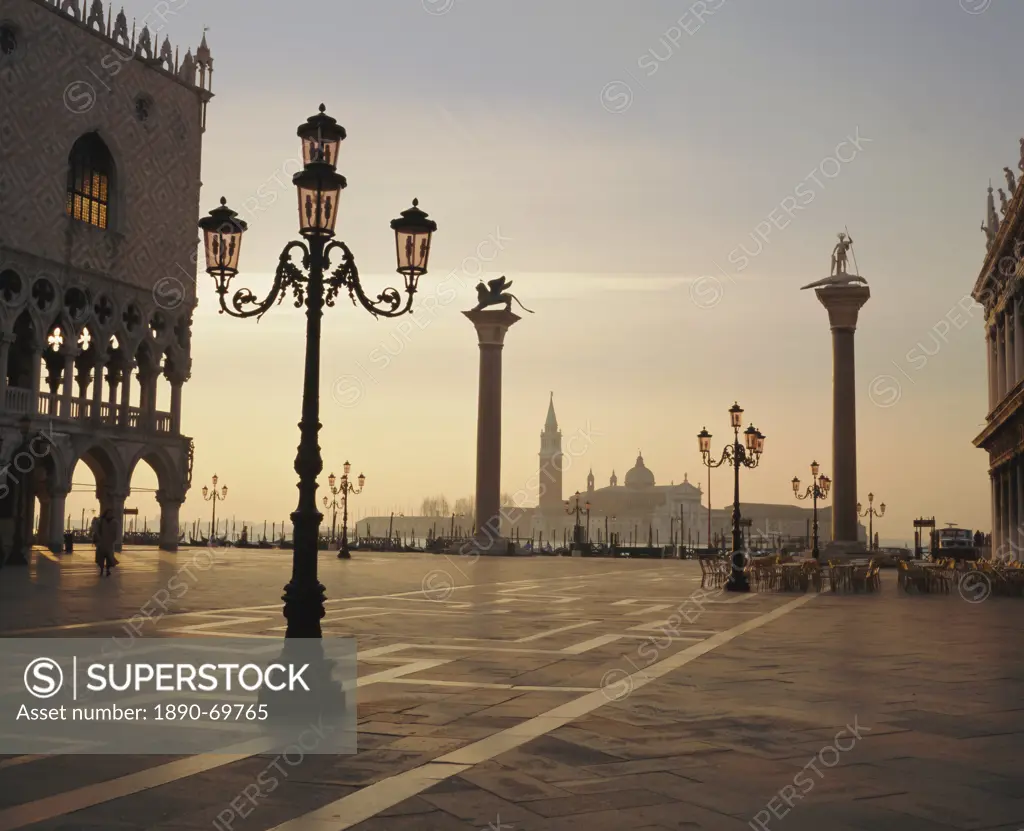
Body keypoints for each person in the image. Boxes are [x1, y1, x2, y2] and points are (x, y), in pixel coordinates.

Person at [94, 509, 118, 576]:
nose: (110, 514)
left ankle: (107, 570)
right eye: (109, 513)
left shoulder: (114, 522)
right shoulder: (101, 521)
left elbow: (115, 532)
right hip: (102, 542)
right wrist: (98, 539)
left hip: (109, 543)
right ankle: (101, 570)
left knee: (109, 558)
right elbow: (97, 531)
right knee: (101, 558)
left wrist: (113, 540)